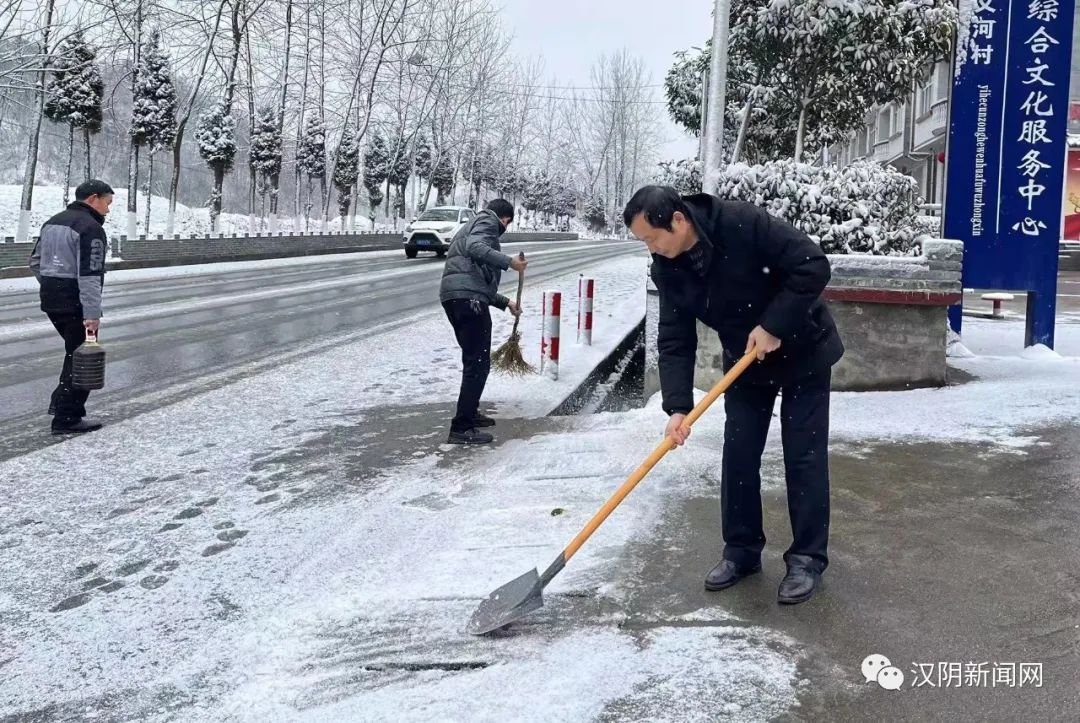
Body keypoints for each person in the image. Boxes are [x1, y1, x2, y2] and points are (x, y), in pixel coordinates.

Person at [624, 185, 844, 605]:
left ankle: (806, 559)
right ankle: (741, 552)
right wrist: (677, 407)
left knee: (804, 455)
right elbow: (674, 338)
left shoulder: (742, 223)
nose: (650, 248)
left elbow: (812, 266)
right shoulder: (666, 267)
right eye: (643, 243)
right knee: (739, 453)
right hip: (745, 361)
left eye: (652, 238)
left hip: (804, 350)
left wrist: (774, 324)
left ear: (677, 220)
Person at [438, 198, 527, 445]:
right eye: (507, 223)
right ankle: (462, 427)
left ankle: (470, 412)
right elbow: (475, 248)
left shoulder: (473, 224)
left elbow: (472, 277)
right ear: (505, 219)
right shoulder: (487, 221)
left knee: (475, 361)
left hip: (458, 298)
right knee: (477, 363)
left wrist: (504, 302)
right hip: (468, 300)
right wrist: (509, 262)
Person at [29, 179, 112, 435]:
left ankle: (60, 403)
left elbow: (35, 261)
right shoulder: (91, 228)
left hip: (51, 298)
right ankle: (67, 417)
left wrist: (53, 284)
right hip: (76, 300)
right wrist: (91, 314)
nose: (108, 210)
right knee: (83, 358)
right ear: (92, 199)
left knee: (73, 352)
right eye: (107, 203)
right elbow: (90, 274)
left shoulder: (53, 221)